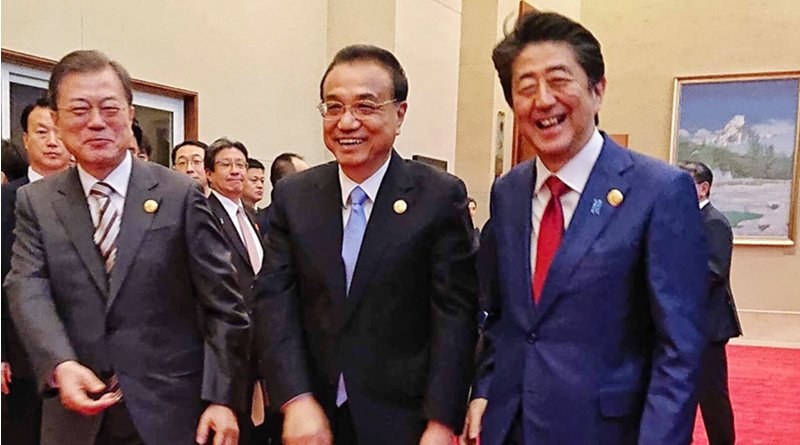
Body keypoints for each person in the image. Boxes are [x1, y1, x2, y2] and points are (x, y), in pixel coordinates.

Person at [462, 12, 709, 445]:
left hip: (607, 431)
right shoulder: (509, 192)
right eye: (525, 88)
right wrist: (484, 390)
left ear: (597, 90)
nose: (542, 100)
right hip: (513, 425)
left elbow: (679, 349)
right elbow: (502, 314)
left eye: (559, 81)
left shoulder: (658, 191)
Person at [4, 49, 250, 445]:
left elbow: (224, 305)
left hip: (172, 413)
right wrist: (60, 363)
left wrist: (223, 400)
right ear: (56, 120)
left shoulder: (180, 194)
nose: (97, 122)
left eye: (110, 108)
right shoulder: (37, 202)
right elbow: (26, 286)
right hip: (75, 417)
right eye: (79, 110)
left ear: (131, 114)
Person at [253, 44, 478, 445]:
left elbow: (454, 316)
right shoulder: (294, 197)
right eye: (333, 107)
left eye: (366, 106)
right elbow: (274, 302)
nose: (347, 122)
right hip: (310, 420)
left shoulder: (438, 197)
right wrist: (295, 398)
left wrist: (442, 422)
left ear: (399, 114)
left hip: (404, 421)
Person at [2, 97, 71, 445]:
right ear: (25, 140)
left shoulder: (88, 196)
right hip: (19, 355)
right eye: (41, 132)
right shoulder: (7, 200)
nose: (52, 140)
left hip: (80, 349)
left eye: (58, 131)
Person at [204, 137, 266, 444]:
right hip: (228, 336)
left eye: (240, 164)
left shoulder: (253, 217)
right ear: (209, 174)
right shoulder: (204, 214)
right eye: (226, 165)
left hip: (259, 337)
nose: (235, 171)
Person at [679, 161, 742, 445]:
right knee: (681, 392)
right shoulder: (682, 219)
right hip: (682, 323)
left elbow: (714, 271)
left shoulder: (714, 222)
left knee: (712, 395)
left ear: (703, 188)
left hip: (708, 326)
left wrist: (671, 277)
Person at [257, 152, 309, 237]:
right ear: (287, 182)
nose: (311, 182)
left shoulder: (315, 218)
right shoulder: (261, 224)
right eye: (305, 176)